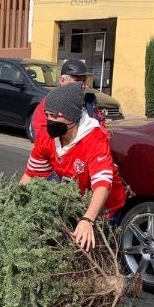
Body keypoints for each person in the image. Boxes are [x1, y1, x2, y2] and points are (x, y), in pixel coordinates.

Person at [21, 83, 126, 251]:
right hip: (76, 202)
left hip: (105, 207)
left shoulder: (94, 139)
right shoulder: (46, 138)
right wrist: (15, 202)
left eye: (55, 116)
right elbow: (31, 175)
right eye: (47, 115)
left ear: (72, 117)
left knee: (102, 250)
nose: (50, 121)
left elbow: (103, 185)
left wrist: (88, 220)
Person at [30, 59, 106, 140]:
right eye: (77, 81)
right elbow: (39, 133)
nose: (82, 85)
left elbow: (101, 124)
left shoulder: (89, 101)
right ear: (62, 81)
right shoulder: (50, 101)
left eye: (84, 81)